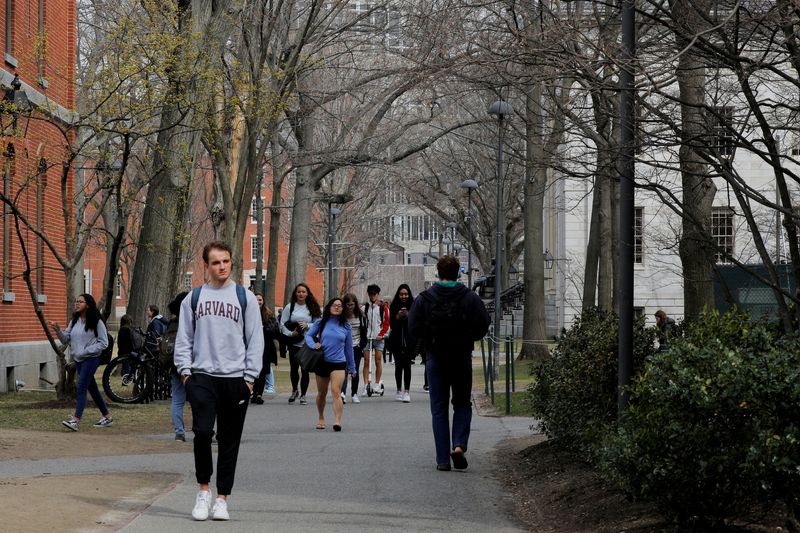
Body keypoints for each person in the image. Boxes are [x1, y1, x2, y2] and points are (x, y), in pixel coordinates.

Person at [174, 240, 264, 521]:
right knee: (202, 433)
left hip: (236, 379)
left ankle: (222, 497)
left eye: (225, 261)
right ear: (207, 265)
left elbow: (255, 339)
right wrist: (186, 373)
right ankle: (203, 491)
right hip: (201, 377)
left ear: (231, 263)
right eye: (216, 262)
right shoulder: (194, 298)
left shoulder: (244, 297)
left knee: (229, 440)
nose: (221, 266)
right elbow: (184, 338)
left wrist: (249, 379)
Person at [409, 256, 490, 472]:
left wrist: (428, 340)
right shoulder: (470, 298)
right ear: (458, 273)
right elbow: (484, 323)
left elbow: (413, 326)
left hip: (435, 356)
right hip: (461, 356)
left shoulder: (425, 298)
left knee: (439, 408)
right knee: (462, 403)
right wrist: (468, 337)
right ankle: (459, 444)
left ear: (438, 272)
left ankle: (442, 459)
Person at [49, 293, 113, 431]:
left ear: (88, 305)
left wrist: (86, 351)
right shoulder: (74, 320)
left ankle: (76, 420)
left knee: (81, 386)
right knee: (93, 389)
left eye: (81, 302)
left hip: (91, 359)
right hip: (78, 360)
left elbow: (104, 343)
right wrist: (58, 329)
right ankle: (107, 417)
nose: (77, 304)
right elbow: (65, 339)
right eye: (77, 301)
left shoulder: (97, 322)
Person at [305, 297, 356, 431]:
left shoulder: (346, 326)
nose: (337, 307)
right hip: (322, 361)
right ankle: (321, 417)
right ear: (329, 307)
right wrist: (313, 344)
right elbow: (308, 335)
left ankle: (337, 421)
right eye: (334, 305)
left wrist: (352, 367)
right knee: (322, 393)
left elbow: (349, 348)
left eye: (340, 305)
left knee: (336, 391)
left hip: (338, 363)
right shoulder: (321, 322)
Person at [279, 283, 322, 405]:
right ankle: (294, 390)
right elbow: (282, 324)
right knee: (294, 369)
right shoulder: (290, 307)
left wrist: (308, 325)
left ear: (307, 293)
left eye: (303, 292)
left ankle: (303, 395)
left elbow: (319, 323)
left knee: (305, 370)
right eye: (299, 292)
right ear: (295, 293)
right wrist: (290, 333)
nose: (301, 294)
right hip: (294, 343)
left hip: (307, 343)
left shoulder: (312, 307)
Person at [165, 291, 189, 441]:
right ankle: (206, 430)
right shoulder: (194, 321)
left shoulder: (172, 322)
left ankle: (179, 432)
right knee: (201, 400)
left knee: (177, 400)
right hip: (193, 366)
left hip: (174, 365)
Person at [389, 284, 416, 403]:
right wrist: (398, 316)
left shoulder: (414, 305)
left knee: (407, 366)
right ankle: (399, 389)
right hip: (396, 341)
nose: (404, 296)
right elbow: (392, 325)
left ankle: (407, 391)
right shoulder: (393, 306)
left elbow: (416, 323)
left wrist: (409, 315)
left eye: (406, 294)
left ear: (409, 294)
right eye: (401, 294)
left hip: (409, 341)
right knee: (398, 366)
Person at [252, 292, 279, 404]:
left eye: (260, 300)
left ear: (263, 301)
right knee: (253, 370)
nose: (258, 302)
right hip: (251, 346)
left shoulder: (268, 314)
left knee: (263, 371)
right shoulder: (248, 313)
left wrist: (264, 328)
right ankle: (253, 392)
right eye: (256, 299)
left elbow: (275, 330)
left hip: (265, 347)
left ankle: (258, 394)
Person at [363, 284, 389, 396]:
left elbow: (387, 323)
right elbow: (362, 323)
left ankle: (377, 383)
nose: (372, 297)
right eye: (370, 294)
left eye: (374, 294)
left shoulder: (383, 308)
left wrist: (382, 334)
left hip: (378, 337)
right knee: (366, 361)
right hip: (367, 338)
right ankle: (365, 385)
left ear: (378, 294)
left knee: (378, 360)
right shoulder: (365, 308)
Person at [341, 293, 366, 404]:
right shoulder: (341, 317)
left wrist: (361, 346)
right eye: (348, 305)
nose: (350, 307)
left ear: (355, 304)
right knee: (344, 371)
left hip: (356, 347)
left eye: (352, 304)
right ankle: (342, 393)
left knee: (354, 371)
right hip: (343, 347)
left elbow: (364, 333)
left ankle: (354, 393)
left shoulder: (361, 316)